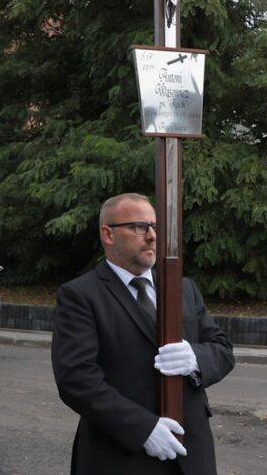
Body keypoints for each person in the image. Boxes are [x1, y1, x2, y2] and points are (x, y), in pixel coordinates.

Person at [51, 193, 234, 475]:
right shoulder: (81, 295)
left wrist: (196, 359)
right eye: (139, 227)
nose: (151, 236)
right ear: (108, 234)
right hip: (121, 454)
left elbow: (222, 348)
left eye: (154, 227)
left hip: (192, 453)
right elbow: (76, 378)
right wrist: (142, 428)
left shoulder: (182, 288)